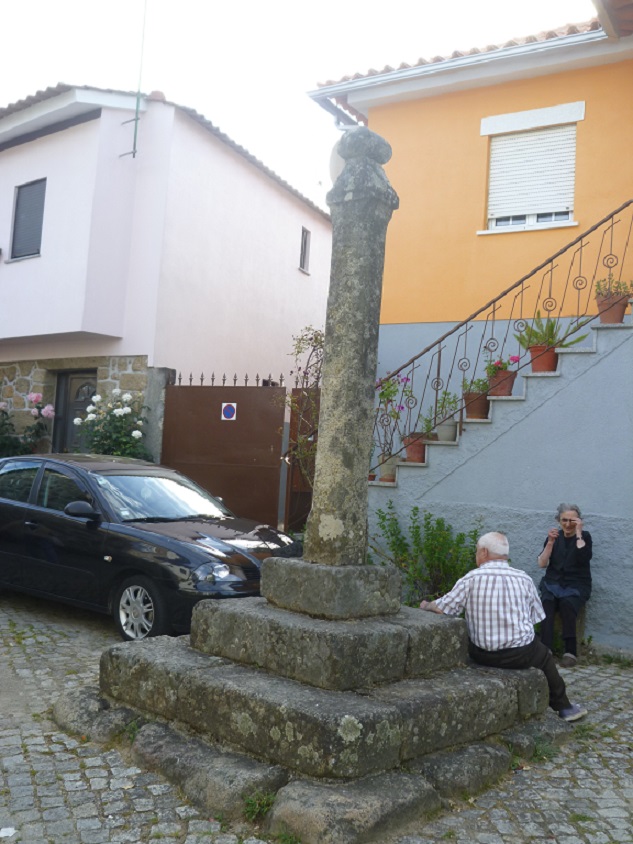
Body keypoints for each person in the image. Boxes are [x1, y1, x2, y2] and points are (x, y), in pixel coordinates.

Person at [419, 531, 586, 722]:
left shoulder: (470, 579)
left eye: (476, 551)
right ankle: (565, 707)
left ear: (483, 552)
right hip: (521, 655)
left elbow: (442, 608)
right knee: (545, 656)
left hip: (481, 654)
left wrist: (426, 605)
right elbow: (535, 618)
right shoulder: (524, 579)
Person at [537, 503, 592, 668]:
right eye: (564, 520)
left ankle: (570, 652)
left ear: (578, 522)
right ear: (558, 521)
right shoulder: (554, 537)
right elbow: (541, 564)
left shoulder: (585, 537)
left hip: (577, 584)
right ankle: (545, 649)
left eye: (572, 521)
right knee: (547, 602)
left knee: (568, 604)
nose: (568, 524)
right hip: (553, 582)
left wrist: (579, 533)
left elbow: (583, 558)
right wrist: (550, 543)